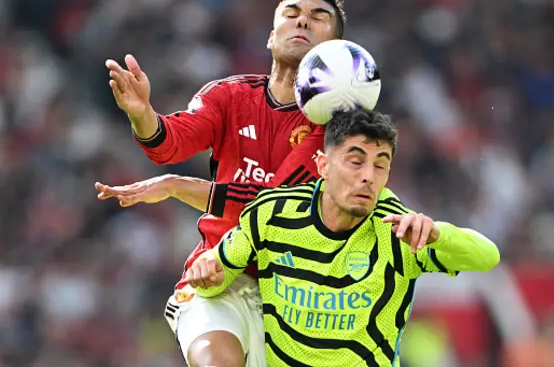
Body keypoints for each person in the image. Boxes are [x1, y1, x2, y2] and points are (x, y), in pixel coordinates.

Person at [102, 0, 345, 367]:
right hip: (216, 276)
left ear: (336, 49)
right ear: (270, 36)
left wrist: (177, 186)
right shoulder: (230, 96)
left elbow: (274, 208)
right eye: (292, 13)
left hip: (297, 297)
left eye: (318, 17)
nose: (303, 22)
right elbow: (169, 144)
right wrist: (142, 114)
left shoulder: (337, 126)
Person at [190, 109, 501, 367]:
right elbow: (221, 270)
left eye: (380, 165)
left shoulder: (399, 232)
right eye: (356, 161)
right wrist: (207, 269)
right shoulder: (272, 214)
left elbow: (488, 257)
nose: (368, 175)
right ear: (323, 166)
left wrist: (438, 235)